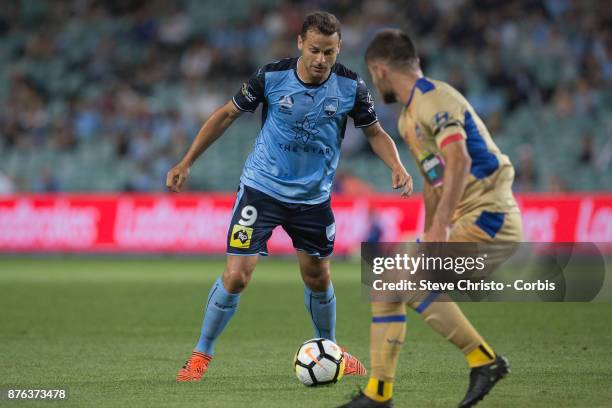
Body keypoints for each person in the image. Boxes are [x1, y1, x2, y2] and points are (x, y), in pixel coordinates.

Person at [166, 13, 413, 383]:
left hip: (313, 199)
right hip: (261, 190)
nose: (321, 59)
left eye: (329, 52)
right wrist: (187, 161)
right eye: (314, 50)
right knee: (236, 277)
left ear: (339, 48)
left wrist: (397, 164)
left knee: (317, 276)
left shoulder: (351, 86)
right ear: (300, 43)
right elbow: (226, 115)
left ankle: (332, 352)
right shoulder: (271, 76)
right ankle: (201, 354)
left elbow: (375, 132)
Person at [339, 29, 522, 408]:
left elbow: (460, 160)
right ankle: (379, 394)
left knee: (409, 278)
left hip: (491, 217)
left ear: (380, 69)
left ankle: (484, 360)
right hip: (467, 215)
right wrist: (428, 231)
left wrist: (440, 228)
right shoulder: (408, 119)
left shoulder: (434, 99)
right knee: (387, 282)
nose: (375, 82)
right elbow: (434, 178)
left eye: (374, 75)